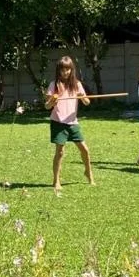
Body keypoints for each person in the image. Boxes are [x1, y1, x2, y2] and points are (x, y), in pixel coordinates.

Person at [45, 56, 94, 191]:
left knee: (84, 149)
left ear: (72, 70)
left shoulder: (77, 84)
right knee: (60, 152)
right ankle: (56, 180)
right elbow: (47, 106)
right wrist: (52, 101)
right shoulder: (53, 84)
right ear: (58, 70)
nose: (65, 72)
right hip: (58, 122)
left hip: (72, 122)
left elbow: (87, 102)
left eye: (68, 69)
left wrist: (82, 97)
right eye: (62, 69)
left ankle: (88, 172)